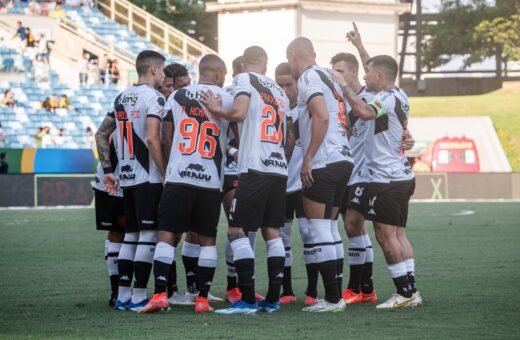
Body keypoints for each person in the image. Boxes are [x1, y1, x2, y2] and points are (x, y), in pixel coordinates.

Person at [202, 46, 296, 315]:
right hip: (278, 169)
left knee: (236, 230)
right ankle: (274, 299)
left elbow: (240, 113)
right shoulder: (280, 92)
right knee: (272, 232)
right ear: (266, 65)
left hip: (254, 167)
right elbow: (289, 138)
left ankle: (246, 299)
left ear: (244, 64)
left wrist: (217, 108)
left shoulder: (244, 79)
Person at [140, 54, 233, 314]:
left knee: (167, 234)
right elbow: (236, 133)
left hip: (179, 176)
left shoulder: (177, 96)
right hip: (210, 180)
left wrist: (171, 166)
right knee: (207, 239)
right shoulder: (226, 98)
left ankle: (160, 294)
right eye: (223, 74)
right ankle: (201, 299)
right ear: (217, 74)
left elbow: (166, 136)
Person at [333, 54, 421, 309]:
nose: (364, 76)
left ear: (380, 76)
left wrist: (345, 85)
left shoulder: (386, 97)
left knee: (385, 236)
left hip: (386, 178)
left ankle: (403, 293)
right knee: (399, 235)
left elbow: (363, 111)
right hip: (402, 174)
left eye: (368, 72)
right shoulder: (401, 95)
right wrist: (360, 47)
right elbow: (381, 68)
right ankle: (411, 291)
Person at [95, 50, 166, 312]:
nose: (165, 75)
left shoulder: (121, 96)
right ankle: (138, 295)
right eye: (164, 70)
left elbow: (101, 134)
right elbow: (151, 139)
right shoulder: (154, 97)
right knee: (148, 235)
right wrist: (166, 171)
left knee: (131, 235)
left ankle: (123, 295)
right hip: (149, 177)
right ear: (155, 70)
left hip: (127, 177)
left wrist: (108, 169)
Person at [286, 37, 353, 313]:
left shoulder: (308, 77)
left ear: (292, 55)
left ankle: (333, 298)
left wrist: (309, 157)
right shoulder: (330, 76)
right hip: (343, 158)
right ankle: (335, 294)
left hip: (324, 160)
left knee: (319, 229)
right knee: (330, 228)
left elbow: (321, 116)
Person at [221, 56, 263, 305]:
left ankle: (234, 287)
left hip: (236, 169)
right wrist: (236, 153)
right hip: (232, 169)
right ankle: (233, 286)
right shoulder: (232, 96)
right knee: (239, 228)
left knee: (242, 229)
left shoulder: (244, 94)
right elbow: (226, 134)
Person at [274, 62, 301, 305]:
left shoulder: (309, 107)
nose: (284, 89)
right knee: (282, 239)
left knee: (312, 235)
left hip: (305, 183)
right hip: (280, 185)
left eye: (289, 84)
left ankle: (314, 292)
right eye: (279, 84)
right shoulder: (273, 111)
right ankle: (287, 290)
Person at [92, 134, 125, 306]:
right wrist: (107, 171)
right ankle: (117, 290)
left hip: (129, 178)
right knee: (117, 232)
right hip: (113, 179)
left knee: (129, 233)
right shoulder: (119, 110)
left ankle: (122, 290)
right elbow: (102, 135)